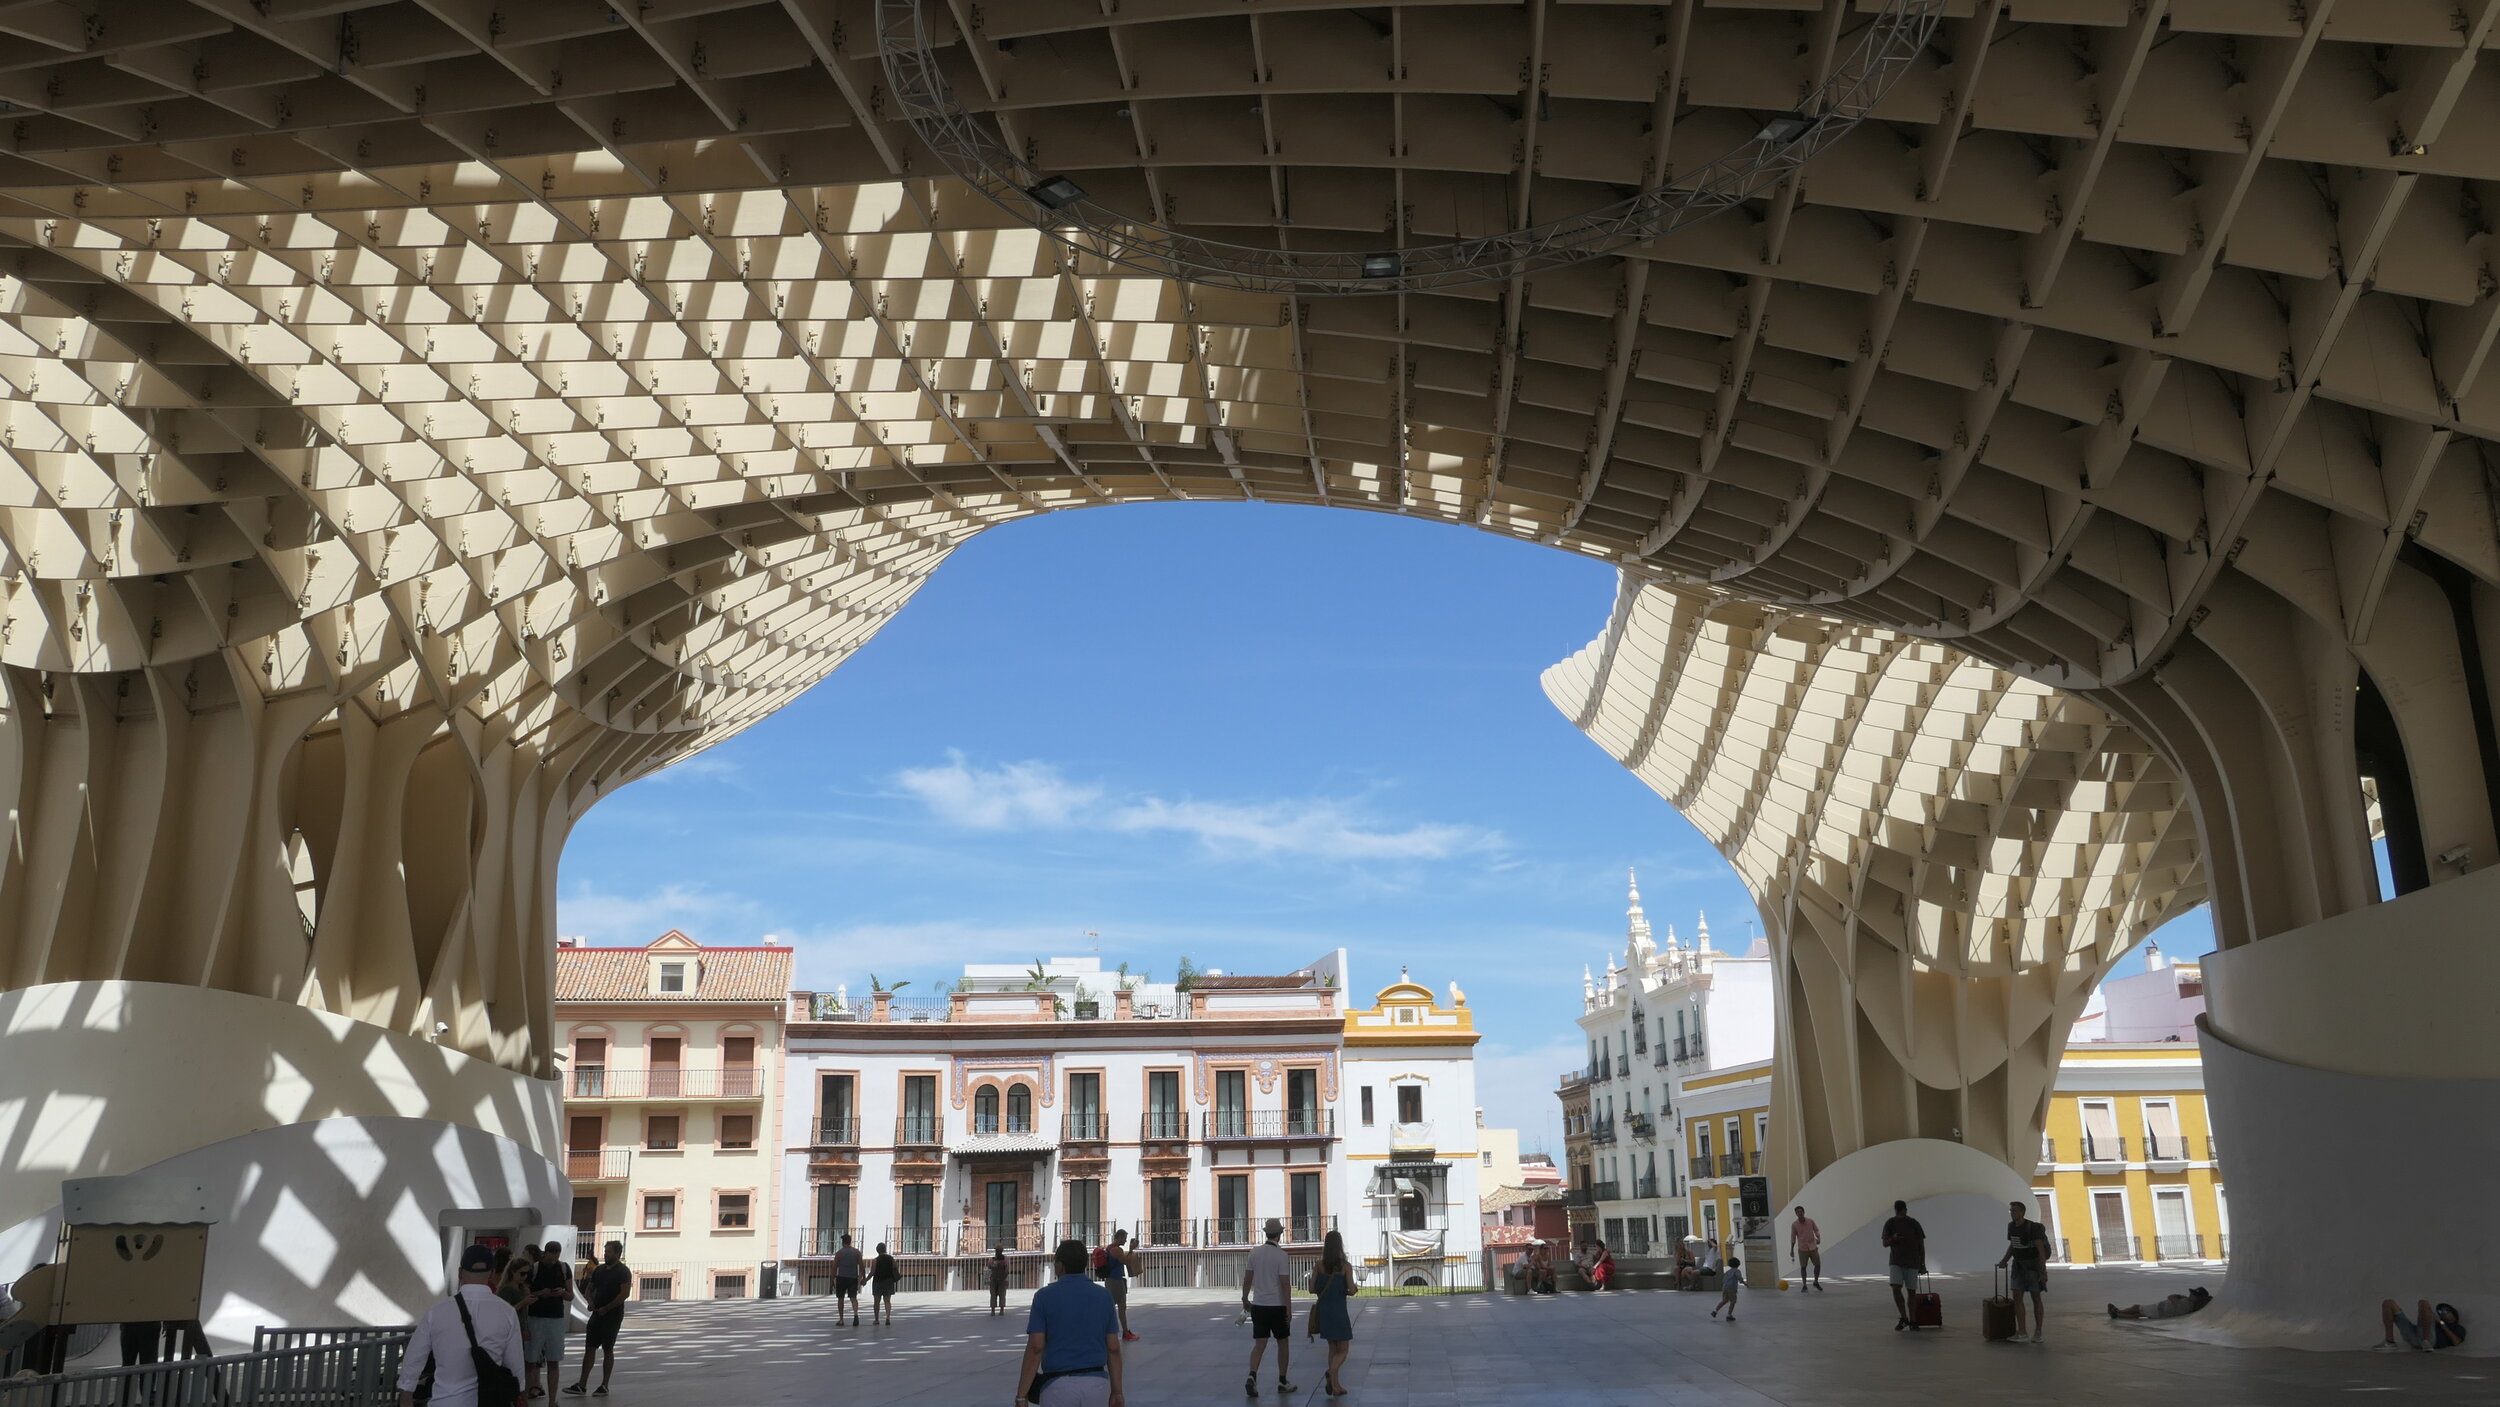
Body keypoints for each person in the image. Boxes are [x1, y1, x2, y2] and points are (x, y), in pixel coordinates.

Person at [397, 1244, 524, 1407]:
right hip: (489, 1401)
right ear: (492, 1273)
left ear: (459, 1273)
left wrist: (406, 1397)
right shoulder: (507, 1312)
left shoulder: (437, 1311)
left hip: (445, 1401)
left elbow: (414, 1357)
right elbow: (515, 1366)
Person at [1014, 1239, 1124, 1407]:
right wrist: (1117, 1392)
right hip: (1097, 1385)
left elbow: (1036, 1347)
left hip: (1057, 1386)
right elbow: (1113, 1348)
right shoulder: (1104, 1296)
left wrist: (1022, 1395)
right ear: (1085, 1265)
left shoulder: (1044, 1297)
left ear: (1059, 1266)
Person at [564, 1241, 631, 1397]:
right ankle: (582, 1384)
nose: (606, 1254)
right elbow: (589, 1289)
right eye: (605, 1251)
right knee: (589, 1348)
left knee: (608, 1349)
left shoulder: (623, 1271)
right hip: (597, 1314)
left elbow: (624, 1294)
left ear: (617, 1254)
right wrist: (590, 1302)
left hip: (612, 1316)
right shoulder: (599, 1270)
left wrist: (607, 1308)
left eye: (609, 1252)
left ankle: (604, 1384)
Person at [1241, 1217, 1294, 1397]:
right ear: (1279, 1234)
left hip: (1259, 1305)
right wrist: (1288, 1308)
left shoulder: (1254, 1253)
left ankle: (1252, 1375)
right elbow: (1285, 1284)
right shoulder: (1281, 1255)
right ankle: (1282, 1381)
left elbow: (1247, 1279)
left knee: (1260, 1344)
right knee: (1283, 1343)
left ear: (1266, 1233)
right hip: (1277, 1306)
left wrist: (1244, 1298)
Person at [1305, 1228, 1356, 1397]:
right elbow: (1351, 1290)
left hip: (1325, 1311)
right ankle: (1331, 1372)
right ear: (1340, 1246)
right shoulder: (1345, 1266)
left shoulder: (1318, 1265)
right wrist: (1349, 1289)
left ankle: (1335, 1386)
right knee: (1344, 1350)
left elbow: (1311, 1288)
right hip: (1339, 1311)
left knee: (1332, 1348)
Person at [521, 1239, 572, 1398]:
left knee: (553, 1360)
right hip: (536, 1317)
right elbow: (526, 1292)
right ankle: (526, 1396)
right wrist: (540, 1293)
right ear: (545, 1253)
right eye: (550, 1258)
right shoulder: (534, 1268)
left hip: (556, 1318)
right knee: (530, 1360)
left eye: (556, 1258)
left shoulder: (564, 1268)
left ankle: (552, 1399)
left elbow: (570, 1295)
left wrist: (562, 1293)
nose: (553, 1261)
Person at [1995, 1199, 2051, 1343]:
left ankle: (2038, 1332)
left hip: (2033, 1267)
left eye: (2014, 1210)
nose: (2012, 1213)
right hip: (2018, 1266)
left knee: (2036, 1298)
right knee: (2017, 1297)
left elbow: (2040, 1250)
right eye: (2011, 1211)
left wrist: (2043, 1271)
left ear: (2022, 1212)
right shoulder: (2011, 1226)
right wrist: (2004, 1260)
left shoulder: (2032, 1227)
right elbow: (2013, 1245)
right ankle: (2022, 1332)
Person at [1881, 1200, 1927, 1331]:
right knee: (1905, 1290)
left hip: (1908, 1262)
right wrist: (1922, 1264)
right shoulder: (1896, 1223)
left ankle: (1910, 1319)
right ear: (1904, 1209)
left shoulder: (1911, 1223)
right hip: (1901, 1262)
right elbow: (1921, 1246)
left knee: (1904, 1290)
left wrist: (1922, 1264)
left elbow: (1885, 1243)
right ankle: (1908, 1319)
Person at [2378, 1298, 2467, 1352]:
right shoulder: (2435, 1322)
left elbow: (2456, 1342)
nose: (2441, 1313)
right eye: (2440, 1311)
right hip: (2415, 1336)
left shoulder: (2457, 1327)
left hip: (2431, 1340)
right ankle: (2390, 1342)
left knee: (2423, 1303)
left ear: (2453, 1314)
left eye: (2444, 1311)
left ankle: (2426, 1341)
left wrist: (2441, 1322)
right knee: (2388, 1303)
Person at [1103, 1229, 1140, 1341]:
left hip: (1114, 1280)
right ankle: (1123, 1332)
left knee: (1117, 1306)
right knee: (1121, 1307)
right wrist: (1131, 1249)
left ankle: (1122, 1331)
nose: (1125, 1241)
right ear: (1119, 1237)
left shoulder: (1110, 1248)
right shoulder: (1116, 1250)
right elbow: (1127, 1261)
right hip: (1115, 1281)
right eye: (1124, 1238)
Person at [2109, 1287, 2212, 1320]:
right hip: (2161, 1311)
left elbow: (2171, 1297)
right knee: (2139, 1314)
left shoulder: (2186, 1304)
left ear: (2198, 1298)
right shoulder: (2189, 1304)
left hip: (2159, 1309)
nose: (2190, 1295)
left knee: (2137, 1308)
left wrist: (2179, 1297)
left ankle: (2118, 1312)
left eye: (2193, 1295)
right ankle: (2118, 1313)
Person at [832, 1234, 864, 1328]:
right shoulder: (857, 1253)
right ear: (850, 1242)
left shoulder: (839, 1253)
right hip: (853, 1278)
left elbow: (834, 1267)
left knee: (840, 1299)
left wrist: (832, 1279)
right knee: (853, 1298)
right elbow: (861, 1266)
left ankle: (841, 1319)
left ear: (843, 1242)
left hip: (841, 1278)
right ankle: (855, 1315)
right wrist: (863, 1277)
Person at [1790, 1207, 1823, 1291]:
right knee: (1803, 1267)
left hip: (1813, 1247)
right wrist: (1792, 1249)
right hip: (1802, 1248)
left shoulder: (1810, 1221)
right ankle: (1804, 1285)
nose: (1799, 1213)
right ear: (1796, 1214)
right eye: (1797, 1212)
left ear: (1804, 1212)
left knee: (1818, 1264)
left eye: (1800, 1211)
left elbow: (1816, 1230)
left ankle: (1816, 1281)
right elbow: (1793, 1237)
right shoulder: (1794, 1225)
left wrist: (1818, 1238)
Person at [869, 1242, 899, 1326]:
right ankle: (888, 1318)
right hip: (888, 1281)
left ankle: (876, 1319)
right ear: (885, 1249)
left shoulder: (875, 1260)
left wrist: (865, 1280)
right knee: (887, 1301)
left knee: (876, 1302)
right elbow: (895, 1267)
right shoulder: (891, 1258)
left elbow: (872, 1272)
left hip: (878, 1282)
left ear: (877, 1250)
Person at [1711, 1256, 1742, 1321]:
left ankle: (1715, 1311)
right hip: (1732, 1288)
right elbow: (1739, 1277)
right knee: (1732, 1302)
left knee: (1724, 1300)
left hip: (1725, 1287)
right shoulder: (1737, 1271)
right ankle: (1729, 1315)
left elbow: (1724, 1280)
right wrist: (1743, 1282)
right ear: (1738, 1264)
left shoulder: (1728, 1272)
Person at [990, 1248, 1011, 1316]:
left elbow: (1007, 1269)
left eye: (999, 1251)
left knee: (1002, 1295)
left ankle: (1001, 1310)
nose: (997, 1252)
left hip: (1002, 1280)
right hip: (994, 1279)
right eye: (997, 1251)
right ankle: (993, 1310)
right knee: (993, 1295)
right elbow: (989, 1266)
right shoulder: (992, 1259)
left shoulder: (1005, 1259)